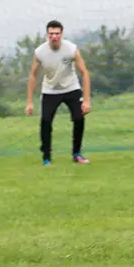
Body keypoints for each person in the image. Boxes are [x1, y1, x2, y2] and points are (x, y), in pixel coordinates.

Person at [26, 20, 92, 166]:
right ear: (47, 35)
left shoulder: (71, 49)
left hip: (71, 88)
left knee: (79, 118)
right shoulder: (40, 52)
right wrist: (30, 102)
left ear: (61, 34)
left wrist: (87, 101)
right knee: (46, 122)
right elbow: (33, 76)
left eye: (57, 34)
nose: (54, 37)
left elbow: (84, 73)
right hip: (50, 90)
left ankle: (77, 153)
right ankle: (47, 157)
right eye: (51, 34)